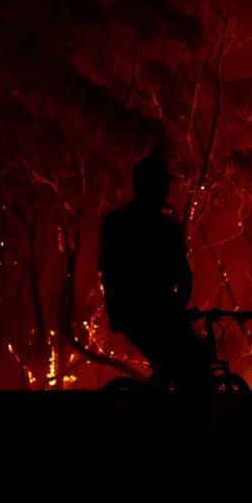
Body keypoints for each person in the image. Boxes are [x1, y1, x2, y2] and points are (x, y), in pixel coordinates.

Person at [97, 156, 209, 391]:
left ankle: (152, 406)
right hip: (158, 312)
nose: (166, 191)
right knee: (189, 365)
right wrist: (177, 308)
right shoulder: (166, 228)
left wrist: (115, 309)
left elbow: (107, 270)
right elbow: (183, 276)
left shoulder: (115, 223)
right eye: (162, 185)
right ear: (154, 187)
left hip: (129, 311)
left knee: (170, 365)